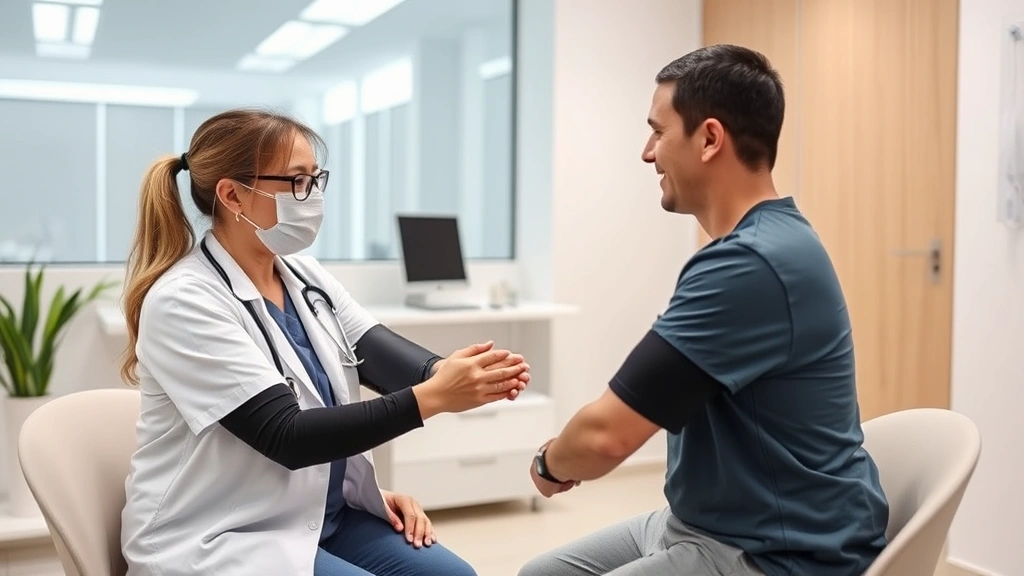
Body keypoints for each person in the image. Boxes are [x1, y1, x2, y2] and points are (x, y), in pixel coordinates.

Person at [519, 45, 889, 576]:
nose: (648, 153)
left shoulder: (752, 265)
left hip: (779, 552)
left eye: (658, 131)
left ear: (710, 138)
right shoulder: (767, 243)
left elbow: (607, 436)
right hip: (709, 522)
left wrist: (548, 463)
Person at [119, 108, 530, 576]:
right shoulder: (185, 300)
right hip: (222, 534)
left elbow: (376, 352)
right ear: (232, 195)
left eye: (316, 179)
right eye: (296, 181)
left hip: (320, 516)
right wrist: (434, 397)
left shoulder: (304, 277)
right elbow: (286, 435)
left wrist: (451, 373)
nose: (311, 196)